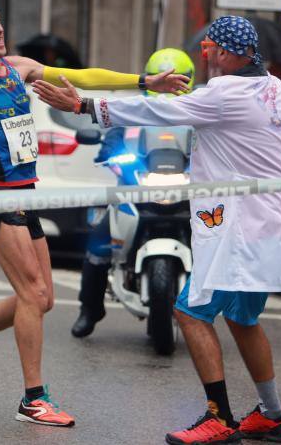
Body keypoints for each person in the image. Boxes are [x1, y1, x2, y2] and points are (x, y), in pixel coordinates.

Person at [0, 0, 189, 428]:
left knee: (42, 299)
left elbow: (84, 77)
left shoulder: (19, 67)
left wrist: (146, 81)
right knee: (33, 295)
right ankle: (33, 398)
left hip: (25, 193)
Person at [33, 15, 281, 444]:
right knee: (242, 317)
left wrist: (86, 105)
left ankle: (219, 417)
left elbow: (159, 110)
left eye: (210, 47)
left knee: (191, 311)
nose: (205, 53)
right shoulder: (274, 89)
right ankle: (272, 415)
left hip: (242, 226)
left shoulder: (225, 93)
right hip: (278, 222)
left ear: (228, 53)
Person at [72, 48, 196, 338]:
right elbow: (112, 137)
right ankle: (89, 309)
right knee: (99, 243)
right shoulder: (133, 108)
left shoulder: (197, 110)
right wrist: (110, 154)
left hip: (187, 192)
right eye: (163, 76)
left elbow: (216, 145)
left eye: (178, 77)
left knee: (218, 239)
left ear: (189, 79)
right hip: (136, 190)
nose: (170, 81)